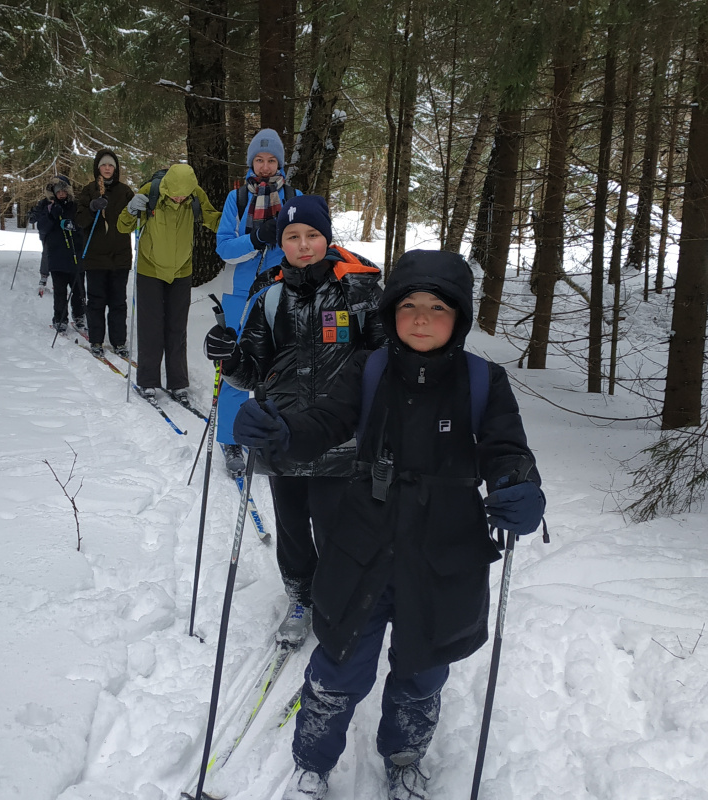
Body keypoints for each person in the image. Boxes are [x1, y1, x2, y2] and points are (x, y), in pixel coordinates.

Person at [232, 249, 546, 800]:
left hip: (445, 552)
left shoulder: (482, 381)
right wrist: (282, 431)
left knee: (422, 670)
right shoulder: (370, 367)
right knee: (339, 661)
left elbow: (505, 448)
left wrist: (518, 486)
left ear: (460, 317)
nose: (421, 319)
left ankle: (403, 755)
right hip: (363, 542)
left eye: (437, 308)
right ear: (392, 311)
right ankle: (312, 758)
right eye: (409, 306)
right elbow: (326, 419)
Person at [204, 194, 387, 646]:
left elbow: (385, 360)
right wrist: (228, 358)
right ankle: (300, 595)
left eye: (312, 235)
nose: (303, 245)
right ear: (281, 243)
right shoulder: (269, 295)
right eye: (292, 237)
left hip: (339, 438)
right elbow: (253, 369)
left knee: (333, 525)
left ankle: (334, 597)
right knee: (291, 526)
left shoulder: (359, 290)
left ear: (326, 237)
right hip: (281, 433)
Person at [214, 128, 300, 475]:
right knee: (235, 371)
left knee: (281, 369)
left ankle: (274, 438)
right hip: (240, 295)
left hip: (281, 291)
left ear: (280, 162)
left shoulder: (295, 197)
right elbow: (224, 247)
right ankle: (231, 440)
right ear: (251, 163)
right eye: (259, 160)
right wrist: (256, 237)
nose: (265, 166)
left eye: (271, 160)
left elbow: (308, 242)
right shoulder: (237, 199)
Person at [117, 163, 221, 401]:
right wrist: (131, 209)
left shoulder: (195, 196)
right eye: (176, 194)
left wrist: (238, 227)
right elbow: (123, 227)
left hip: (182, 270)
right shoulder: (149, 192)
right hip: (150, 269)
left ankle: (178, 383)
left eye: (184, 196)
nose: (179, 198)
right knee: (150, 328)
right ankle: (147, 381)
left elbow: (212, 219)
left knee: (177, 328)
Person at [76, 149, 135, 358]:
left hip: (120, 257)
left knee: (118, 302)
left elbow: (134, 219)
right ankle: (97, 340)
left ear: (116, 168)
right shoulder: (88, 190)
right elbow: (80, 221)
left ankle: (119, 341)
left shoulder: (125, 192)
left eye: (111, 165)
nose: (108, 169)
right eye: (104, 165)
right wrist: (92, 208)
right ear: (97, 168)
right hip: (95, 258)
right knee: (96, 301)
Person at [35, 176, 85, 334]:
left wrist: (75, 227)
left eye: (64, 191)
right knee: (60, 291)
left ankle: (79, 316)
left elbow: (83, 225)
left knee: (78, 289)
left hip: (75, 254)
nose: (62, 194)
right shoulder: (47, 206)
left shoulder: (75, 206)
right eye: (58, 191)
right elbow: (42, 228)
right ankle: (60, 318)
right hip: (56, 254)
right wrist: (52, 216)